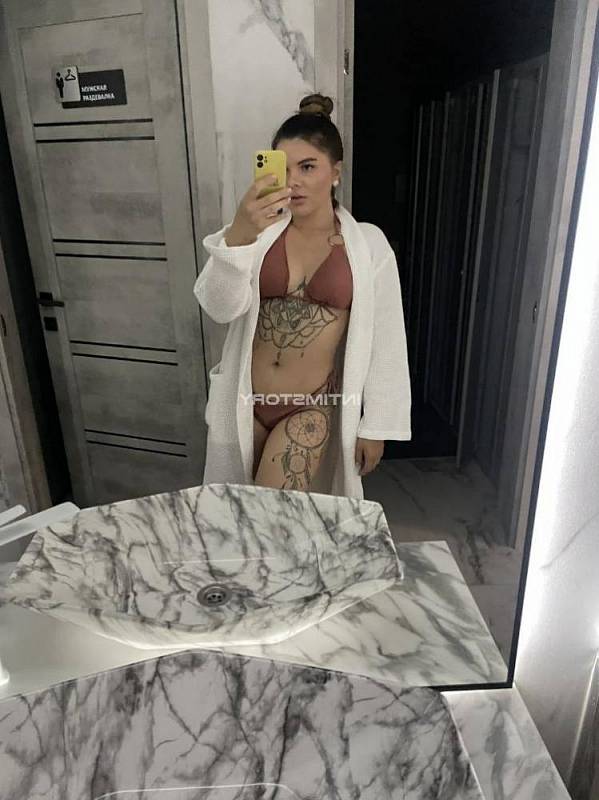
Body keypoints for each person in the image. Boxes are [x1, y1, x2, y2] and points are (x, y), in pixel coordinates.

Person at [194, 93, 411, 499]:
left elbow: (387, 338)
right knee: (233, 515)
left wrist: (377, 425)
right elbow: (218, 307)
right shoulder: (258, 233)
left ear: (335, 172)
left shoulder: (368, 245)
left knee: (270, 517)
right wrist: (239, 234)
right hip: (244, 400)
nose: (293, 181)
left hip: (307, 408)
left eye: (308, 167)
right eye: (285, 168)